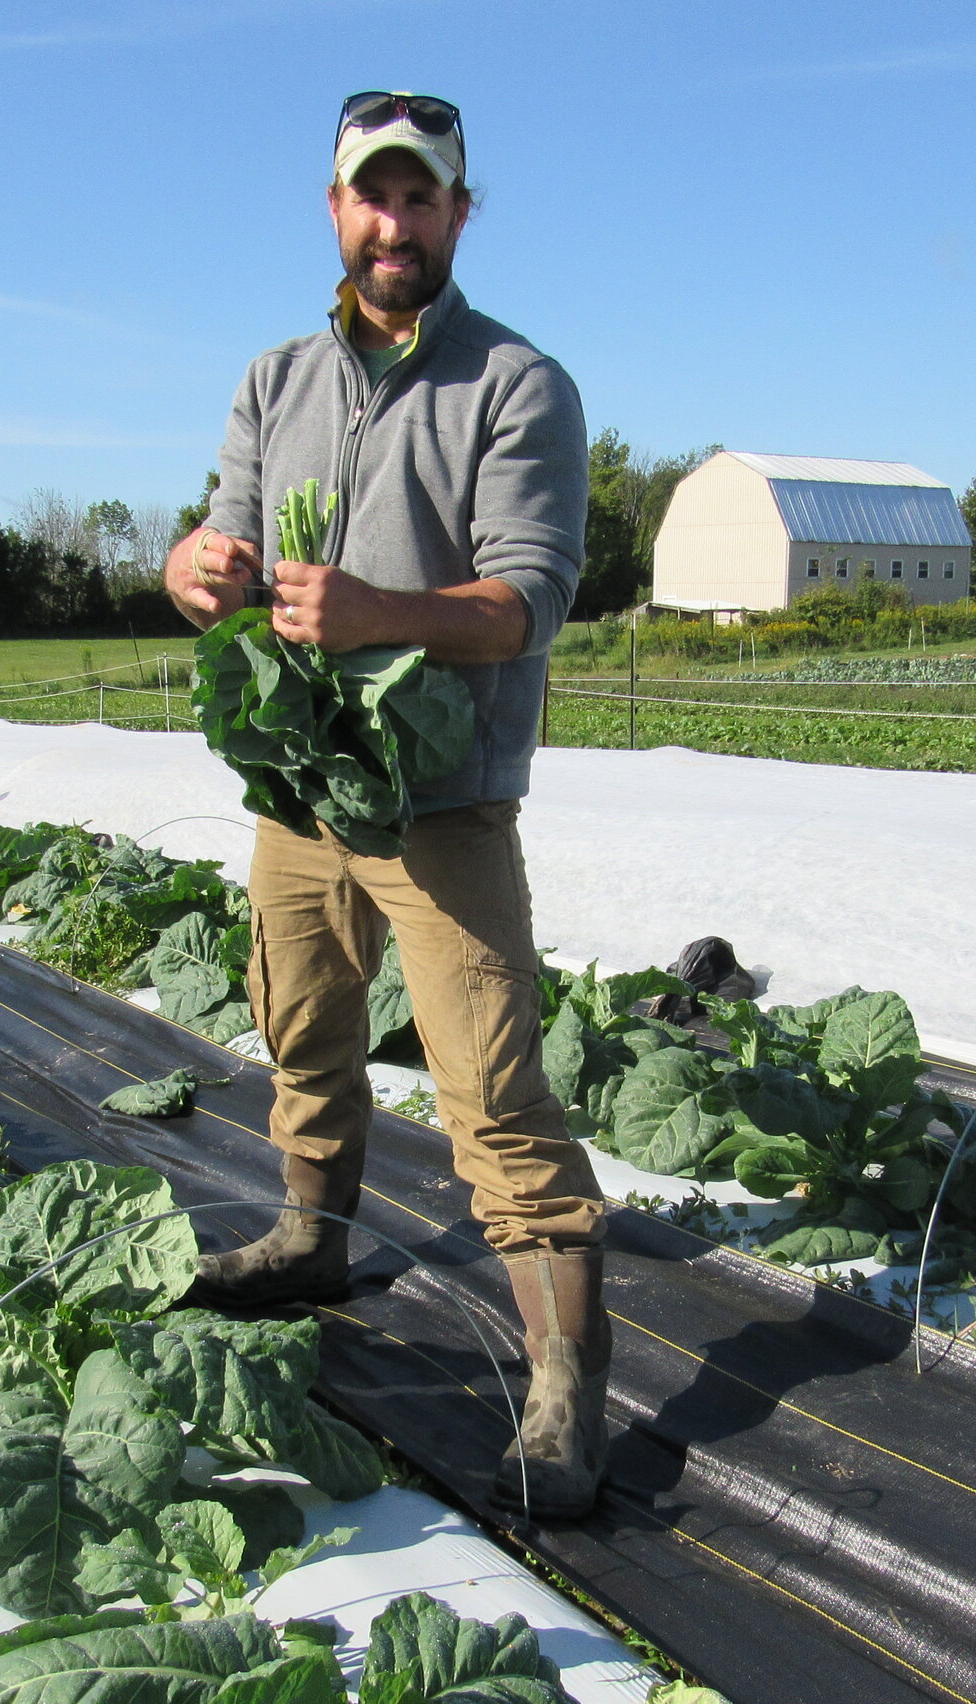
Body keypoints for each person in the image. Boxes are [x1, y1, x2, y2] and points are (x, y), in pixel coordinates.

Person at [163, 91, 609, 1520]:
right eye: (372, 195)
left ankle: (563, 1387)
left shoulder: (518, 386)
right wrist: (195, 567)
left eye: (421, 198)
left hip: (439, 804)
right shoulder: (274, 379)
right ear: (335, 207)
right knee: (300, 1023)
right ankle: (313, 1237)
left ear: (459, 215)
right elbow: (223, 530)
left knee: (493, 1099)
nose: (393, 222)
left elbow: (526, 601)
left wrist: (371, 612)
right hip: (301, 786)